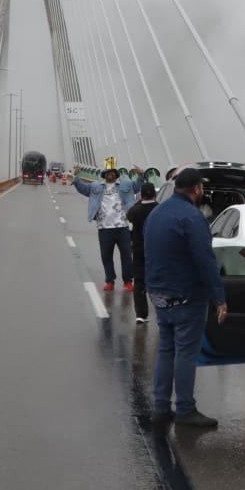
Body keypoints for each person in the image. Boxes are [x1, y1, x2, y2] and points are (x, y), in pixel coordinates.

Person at [143, 167, 227, 427]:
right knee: (185, 353)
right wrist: (219, 298)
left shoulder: (156, 213)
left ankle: (160, 407)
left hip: (158, 293)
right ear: (197, 189)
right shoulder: (193, 218)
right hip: (187, 296)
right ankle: (185, 410)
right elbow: (205, 261)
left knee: (166, 349)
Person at [73, 166, 140, 292]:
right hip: (104, 227)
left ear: (116, 174)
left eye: (113, 172)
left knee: (127, 256)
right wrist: (76, 177)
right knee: (106, 256)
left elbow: (137, 186)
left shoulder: (126, 184)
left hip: (123, 226)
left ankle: (128, 281)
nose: (111, 174)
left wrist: (141, 175)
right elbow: (83, 189)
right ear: (104, 174)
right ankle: (110, 281)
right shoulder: (95, 186)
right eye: (108, 172)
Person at [126, 182, 161, 323]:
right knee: (158, 282)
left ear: (141, 195)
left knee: (139, 282)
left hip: (139, 251)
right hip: (157, 252)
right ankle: (161, 311)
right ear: (155, 194)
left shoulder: (133, 212)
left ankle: (141, 314)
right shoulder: (160, 209)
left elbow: (129, 231)